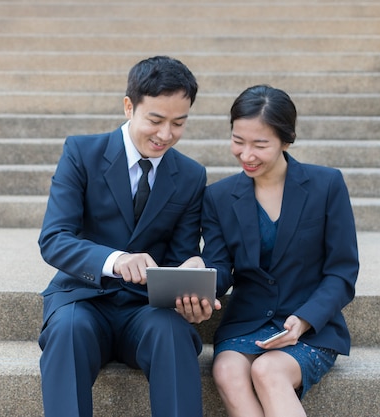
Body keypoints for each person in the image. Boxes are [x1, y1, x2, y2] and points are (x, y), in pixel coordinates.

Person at [37, 55, 221, 417]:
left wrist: (190, 282)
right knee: (68, 331)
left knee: (173, 335)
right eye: (155, 120)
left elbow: (180, 255)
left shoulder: (190, 175)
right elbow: (54, 238)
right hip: (84, 299)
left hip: (148, 309)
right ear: (128, 106)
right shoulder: (81, 153)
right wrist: (116, 260)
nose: (166, 134)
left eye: (179, 123)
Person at [198, 85, 359, 417]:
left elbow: (342, 272)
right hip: (245, 324)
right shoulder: (218, 197)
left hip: (309, 325)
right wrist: (194, 281)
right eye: (238, 141)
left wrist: (303, 320)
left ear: (286, 140)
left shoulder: (326, 185)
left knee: (268, 371)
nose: (246, 155)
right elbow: (218, 268)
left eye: (260, 145)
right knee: (227, 371)